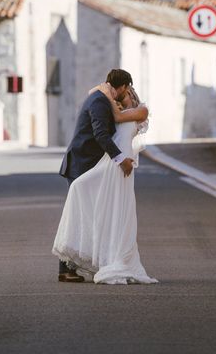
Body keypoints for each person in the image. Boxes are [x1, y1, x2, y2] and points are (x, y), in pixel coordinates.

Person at [53, 81, 158, 285]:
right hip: (98, 162)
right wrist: (103, 93)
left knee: (104, 212)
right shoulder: (109, 106)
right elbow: (106, 129)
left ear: (129, 92)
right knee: (87, 208)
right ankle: (68, 267)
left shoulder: (140, 110)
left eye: (124, 95)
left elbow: (117, 120)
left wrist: (105, 93)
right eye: (119, 94)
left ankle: (89, 262)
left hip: (116, 163)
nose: (120, 99)